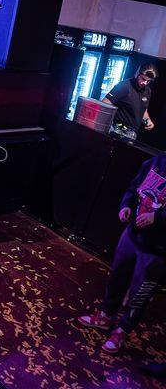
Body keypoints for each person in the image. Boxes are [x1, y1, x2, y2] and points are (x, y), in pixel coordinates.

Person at [77, 154, 166, 353]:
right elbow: (134, 188)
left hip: (157, 250)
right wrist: (126, 205)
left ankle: (123, 330)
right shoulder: (156, 162)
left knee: (139, 294)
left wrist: (158, 218)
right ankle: (105, 315)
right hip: (132, 235)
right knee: (117, 278)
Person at [103, 63, 157, 136]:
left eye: (148, 81)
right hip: (116, 129)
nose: (145, 83)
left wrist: (147, 119)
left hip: (131, 133)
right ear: (137, 74)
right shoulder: (124, 86)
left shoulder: (147, 91)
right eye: (143, 79)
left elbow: (143, 109)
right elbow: (105, 103)